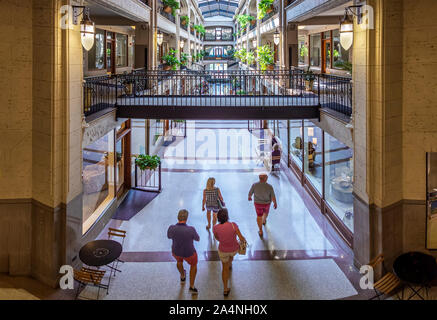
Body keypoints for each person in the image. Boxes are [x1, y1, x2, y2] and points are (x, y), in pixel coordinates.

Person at [213, 208, 246, 296]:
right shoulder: (233, 225)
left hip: (223, 250)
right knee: (231, 256)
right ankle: (230, 263)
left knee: (224, 268)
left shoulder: (215, 228)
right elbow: (241, 238)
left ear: (218, 217)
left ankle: (225, 289)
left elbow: (217, 238)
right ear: (227, 216)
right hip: (233, 249)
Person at [167, 209, 199, 295]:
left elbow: (169, 237)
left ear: (178, 217)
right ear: (187, 218)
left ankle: (182, 276)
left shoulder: (171, 228)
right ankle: (191, 286)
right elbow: (197, 239)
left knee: (179, 261)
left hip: (176, 251)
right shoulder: (191, 229)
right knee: (193, 265)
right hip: (189, 253)